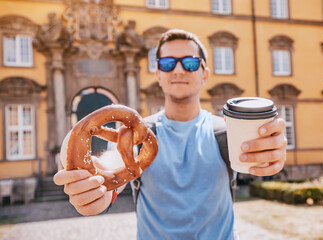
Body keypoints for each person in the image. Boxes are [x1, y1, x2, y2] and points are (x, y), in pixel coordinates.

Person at [54, 29, 287, 239]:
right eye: (167, 63)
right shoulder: (138, 134)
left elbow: (262, 154)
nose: (178, 69)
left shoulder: (226, 133)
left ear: (204, 74)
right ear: (158, 74)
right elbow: (113, 160)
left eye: (190, 63)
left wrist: (272, 150)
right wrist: (94, 189)